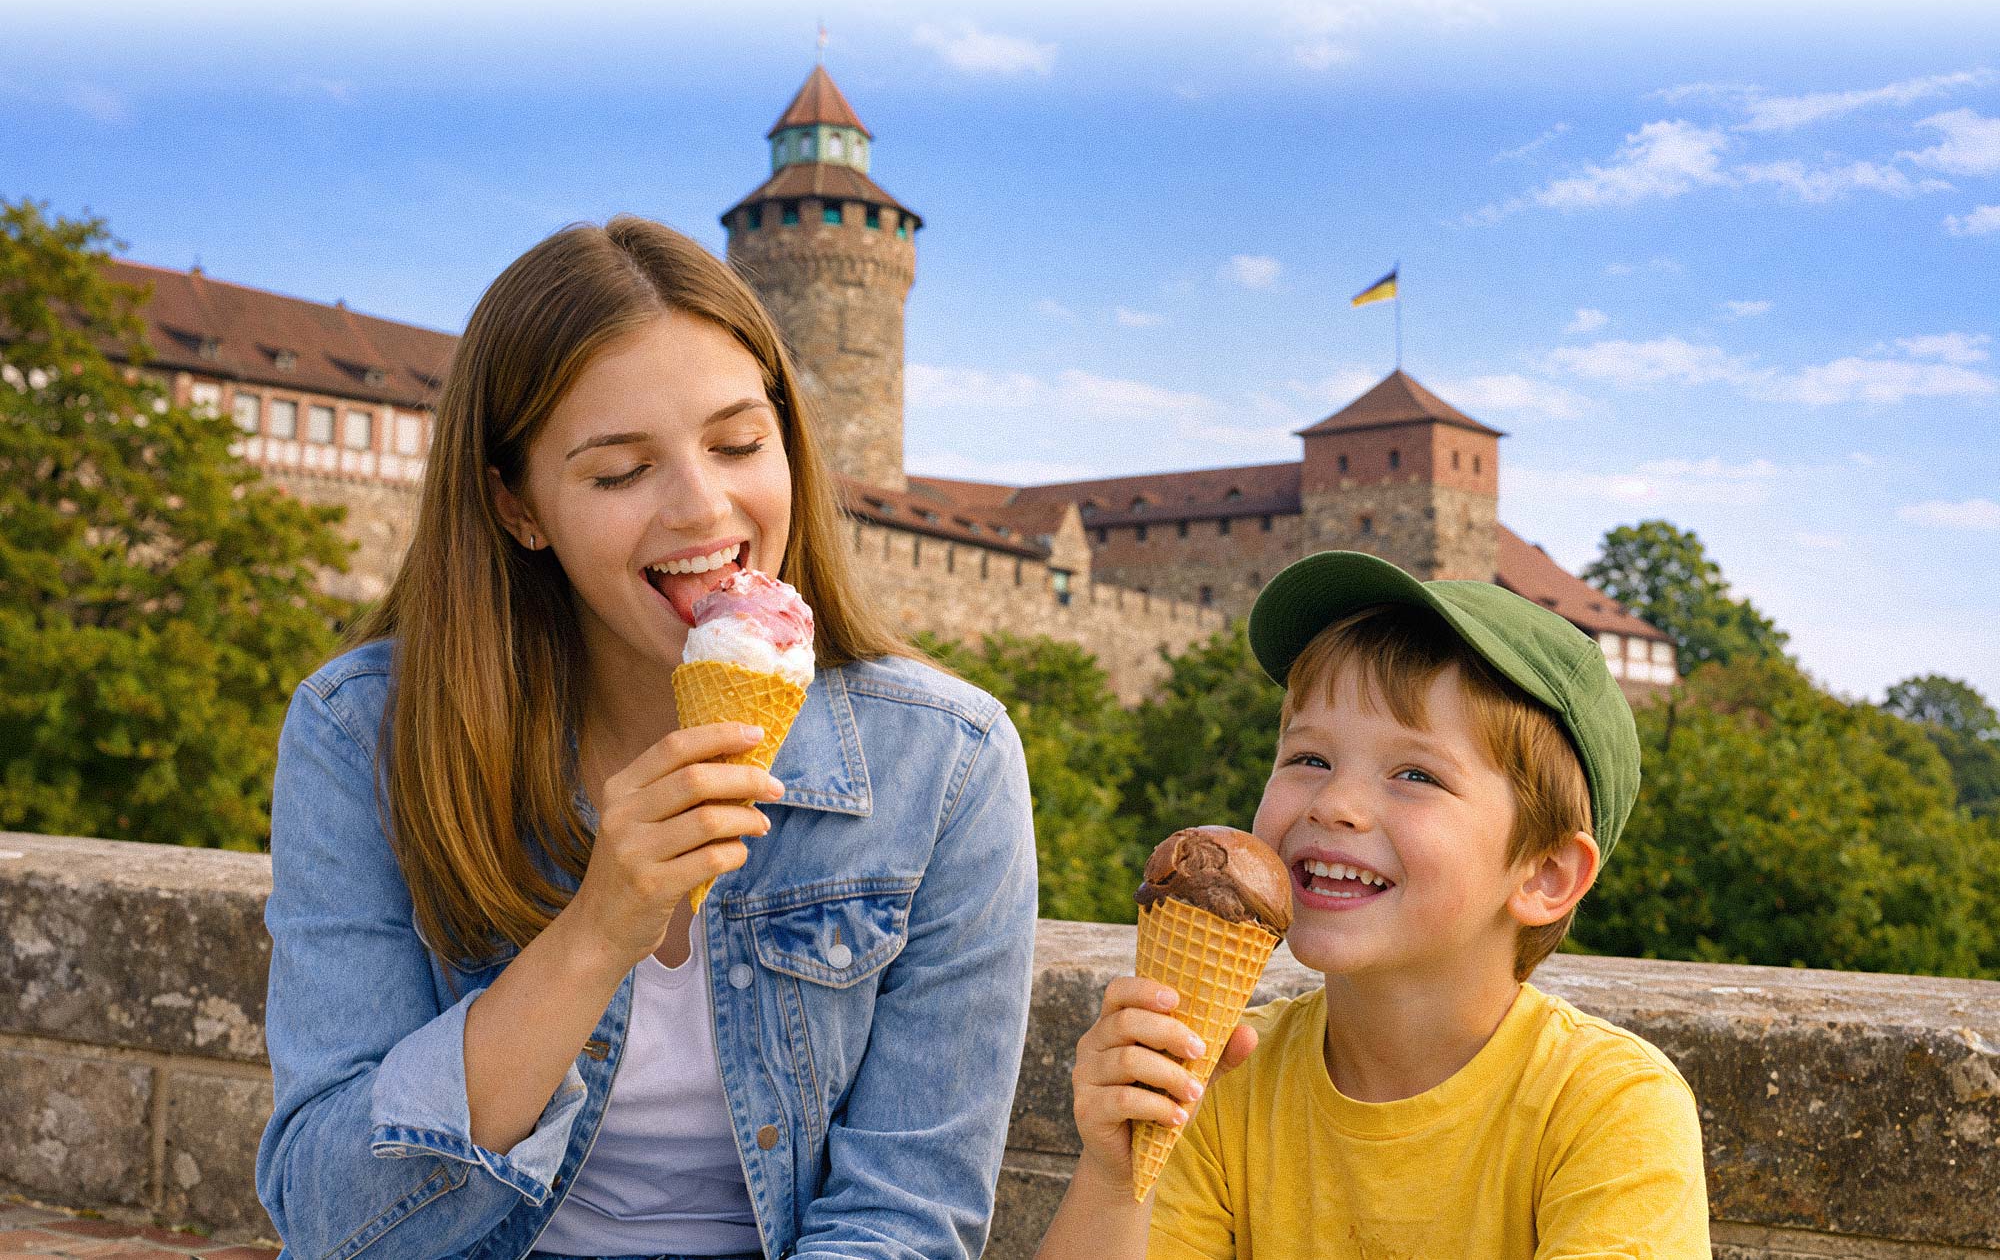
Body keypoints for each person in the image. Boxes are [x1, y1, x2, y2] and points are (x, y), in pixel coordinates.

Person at [255, 217, 1037, 1260]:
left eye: (737, 443)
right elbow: (330, 1220)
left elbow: (906, 1213)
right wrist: (591, 935)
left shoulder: (946, 762)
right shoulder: (362, 735)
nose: (702, 507)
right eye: (621, 471)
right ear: (517, 506)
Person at [1038, 550, 1709, 1258]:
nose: (1336, 804)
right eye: (1308, 759)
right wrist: (1114, 1179)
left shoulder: (1611, 1108)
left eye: (1415, 774)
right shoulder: (1220, 1076)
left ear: (1545, 874)